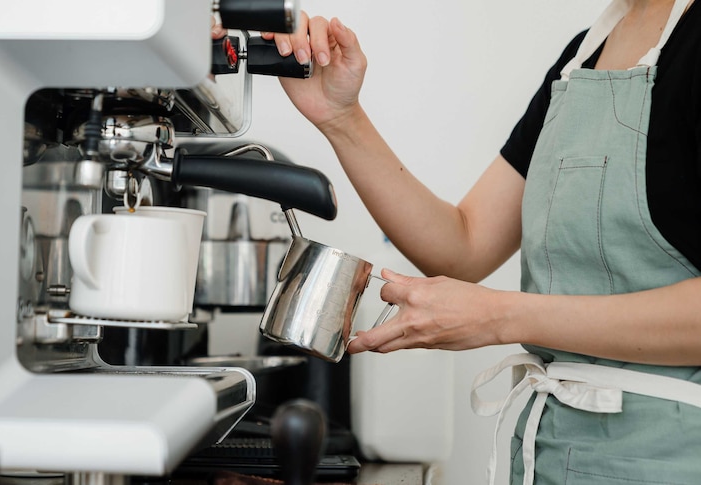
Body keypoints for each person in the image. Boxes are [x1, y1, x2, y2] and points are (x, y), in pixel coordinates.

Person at [216, 0, 701, 483]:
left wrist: (500, 316)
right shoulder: (583, 57)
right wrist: (341, 117)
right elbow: (465, 243)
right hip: (552, 456)